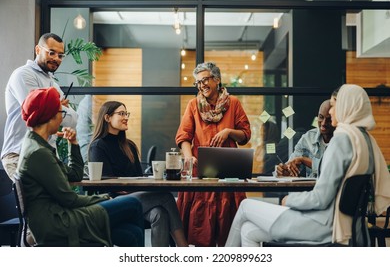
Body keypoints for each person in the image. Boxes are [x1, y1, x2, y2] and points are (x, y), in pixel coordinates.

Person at [225, 84, 390, 247]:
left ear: (347, 106)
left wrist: (289, 200)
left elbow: (320, 198)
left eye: (333, 106)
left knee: (246, 206)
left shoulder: (342, 140)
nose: (331, 112)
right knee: (247, 230)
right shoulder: (365, 140)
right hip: (348, 226)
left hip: (323, 225)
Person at [18, 87, 144, 246]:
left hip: (59, 216)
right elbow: (69, 199)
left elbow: (75, 175)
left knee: (132, 233)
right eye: (60, 113)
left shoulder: (36, 146)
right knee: (133, 203)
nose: (61, 118)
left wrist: (73, 143)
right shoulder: (39, 153)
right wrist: (106, 198)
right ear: (49, 115)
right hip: (57, 222)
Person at [88, 101, 188, 247]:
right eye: (121, 113)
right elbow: (106, 185)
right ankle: (184, 248)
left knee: (160, 213)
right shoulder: (98, 146)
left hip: (135, 197)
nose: (125, 117)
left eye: (126, 113)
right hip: (114, 201)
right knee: (166, 196)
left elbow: (138, 177)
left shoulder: (129, 146)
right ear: (107, 118)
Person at [175, 62, 251, 247]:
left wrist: (228, 132)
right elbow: (183, 137)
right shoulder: (193, 105)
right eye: (198, 83)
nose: (201, 86)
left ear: (217, 80)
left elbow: (245, 135)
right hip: (201, 170)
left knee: (229, 226)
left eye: (204, 80)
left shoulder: (233, 103)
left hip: (229, 172)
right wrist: (188, 156)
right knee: (201, 227)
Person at [1, 33, 78, 181]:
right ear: (37, 50)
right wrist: (58, 106)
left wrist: (54, 107)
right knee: (36, 203)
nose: (56, 58)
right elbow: (36, 112)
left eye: (60, 55)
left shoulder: (53, 84)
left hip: (45, 156)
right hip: (20, 153)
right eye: (51, 52)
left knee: (55, 201)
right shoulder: (23, 75)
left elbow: (73, 120)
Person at [276, 99, 335, 178]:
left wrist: (304, 160)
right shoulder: (308, 138)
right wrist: (285, 170)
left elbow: (332, 169)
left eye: (328, 119)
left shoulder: (342, 140)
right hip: (310, 189)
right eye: (321, 117)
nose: (323, 123)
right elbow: (292, 163)